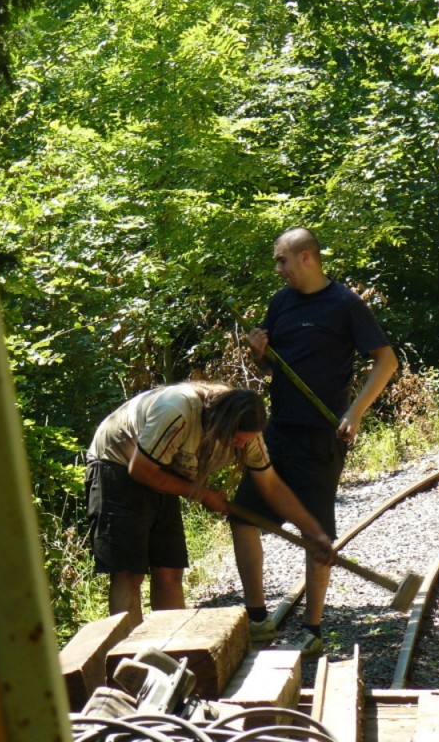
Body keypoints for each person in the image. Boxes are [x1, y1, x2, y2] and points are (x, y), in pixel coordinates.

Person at [231, 227, 398, 656]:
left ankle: (313, 629)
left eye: (282, 260)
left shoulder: (344, 304)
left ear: (307, 257)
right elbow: (271, 370)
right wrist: (257, 352)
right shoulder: (280, 303)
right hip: (277, 430)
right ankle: (257, 618)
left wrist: (355, 410)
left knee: (316, 533)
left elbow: (387, 360)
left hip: (321, 437)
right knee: (243, 518)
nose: (279, 269)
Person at [85, 381, 335, 625]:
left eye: (245, 441)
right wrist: (203, 493)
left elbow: (272, 486)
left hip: (162, 470)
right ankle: (128, 658)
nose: (241, 446)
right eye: (237, 439)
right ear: (223, 424)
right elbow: (140, 469)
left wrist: (316, 534)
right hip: (117, 463)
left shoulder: (248, 435)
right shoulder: (177, 409)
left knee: (169, 569)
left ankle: (173, 652)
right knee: (129, 572)